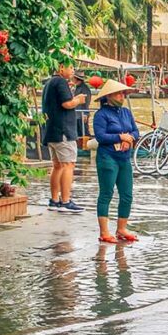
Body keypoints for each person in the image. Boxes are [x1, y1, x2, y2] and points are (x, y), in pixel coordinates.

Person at [93, 79, 141, 244]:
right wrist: (120, 136)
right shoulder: (101, 115)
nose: (122, 96)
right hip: (108, 157)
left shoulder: (126, 112)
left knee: (127, 195)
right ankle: (104, 231)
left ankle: (121, 228)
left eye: (123, 93)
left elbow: (135, 131)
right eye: (119, 93)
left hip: (124, 157)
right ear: (109, 96)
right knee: (106, 193)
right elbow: (100, 137)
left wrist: (130, 138)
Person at [42, 62, 87, 213]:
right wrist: (79, 100)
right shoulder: (61, 82)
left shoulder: (49, 82)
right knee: (68, 165)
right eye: (71, 67)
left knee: (58, 166)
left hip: (52, 130)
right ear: (61, 67)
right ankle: (66, 200)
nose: (73, 70)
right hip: (63, 131)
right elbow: (67, 104)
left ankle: (54, 199)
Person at [72, 71, 93, 138]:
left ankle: (86, 147)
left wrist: (85, 113)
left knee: (84, 133)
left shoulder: (84, 88)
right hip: (77, 114)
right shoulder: (77, 87)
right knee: (78, 133)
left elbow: (86, 101)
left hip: (81, 114)